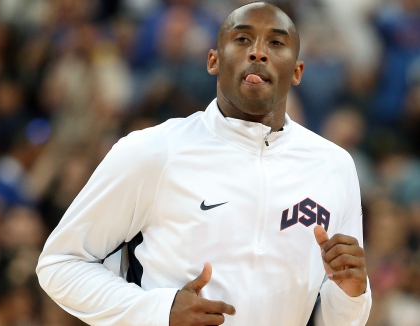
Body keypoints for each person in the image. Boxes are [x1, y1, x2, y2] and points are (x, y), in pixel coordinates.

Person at [36, 2, 372, 325]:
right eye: (242, 39)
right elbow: (60, 263)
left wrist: (351, 295)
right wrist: (157, 312)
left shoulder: (334, 167)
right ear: (214, 60)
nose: (258, 52)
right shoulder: (154, 150)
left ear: (297, 71)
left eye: (276, 42)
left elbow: (335, 320)